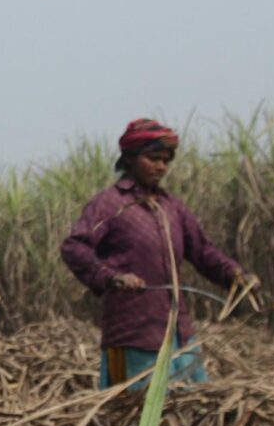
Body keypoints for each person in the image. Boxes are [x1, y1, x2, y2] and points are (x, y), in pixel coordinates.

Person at [59, 119, 249, 391]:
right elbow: (74, 246)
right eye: (153, 158)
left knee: (193, 403)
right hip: (133, 332)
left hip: (178, 331)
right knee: (135, 410)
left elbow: (203, 251)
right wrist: (112, 277)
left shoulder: (171, 207)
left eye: (166, 160)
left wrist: (235, 275)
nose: (161, 167)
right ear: (131, 158)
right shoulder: (110, 203)